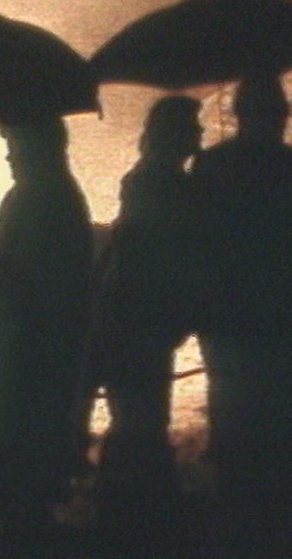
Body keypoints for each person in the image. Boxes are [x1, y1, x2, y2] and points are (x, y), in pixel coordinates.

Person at [192, 77, 292, 555]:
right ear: (281, 114)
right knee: (284, 416)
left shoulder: (212, 165)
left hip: (229, 313)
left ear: (236, 113)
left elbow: (201, 241)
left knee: (234, 415)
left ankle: (239, 515)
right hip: (287, 313)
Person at [0, 118, 94, 554]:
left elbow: (39, 280)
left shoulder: (47, 198)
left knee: (20, 450)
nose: (8, 155)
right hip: (18, 342)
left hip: (28, 349)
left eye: (15, 144)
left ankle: (24, 527)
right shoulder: (36, 195)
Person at [96, 95, 203, 555]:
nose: (199, 135)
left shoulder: (151, 179)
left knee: (137, 415)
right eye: (192, 127)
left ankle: (127, 504)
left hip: (133, 315)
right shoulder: (162, 184)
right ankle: (135, 510)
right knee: (142, 415)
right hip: (141, 317)